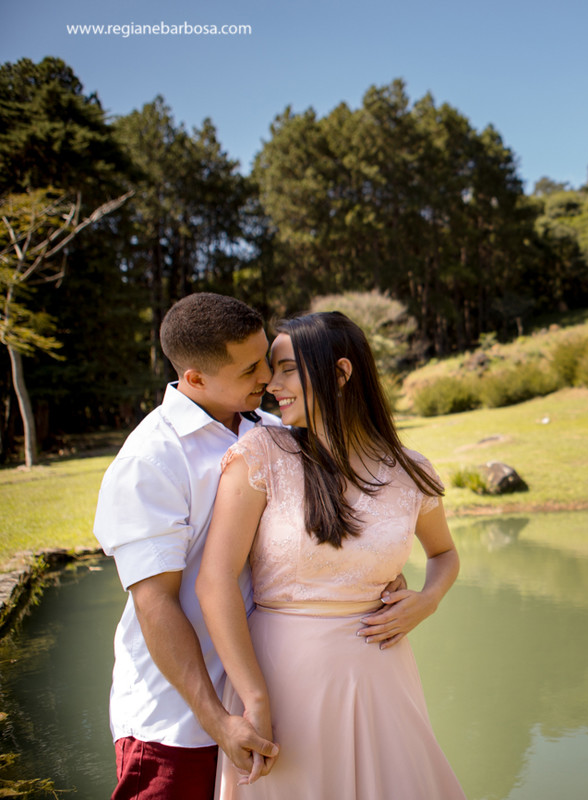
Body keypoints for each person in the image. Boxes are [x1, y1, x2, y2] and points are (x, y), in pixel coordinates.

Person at [93, 294, 416, 800]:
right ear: (195, 379)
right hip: (183, 719)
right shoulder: (149, 462)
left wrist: (373, 574)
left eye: (267, 358)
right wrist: (218, 719)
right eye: (251, 369)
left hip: (280, 695)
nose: (267, 376)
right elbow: (153, 603)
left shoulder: (273, 432)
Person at [197, 311, 466, 798]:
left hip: (384, 674)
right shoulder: (264, 454)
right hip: (282, 679)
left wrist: (429, 599)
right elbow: (215, 581)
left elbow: (444, 553)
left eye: (284, 369)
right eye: (268, 369)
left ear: (340, 373)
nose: (270, 384)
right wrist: (254, 697)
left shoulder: (411, 470)